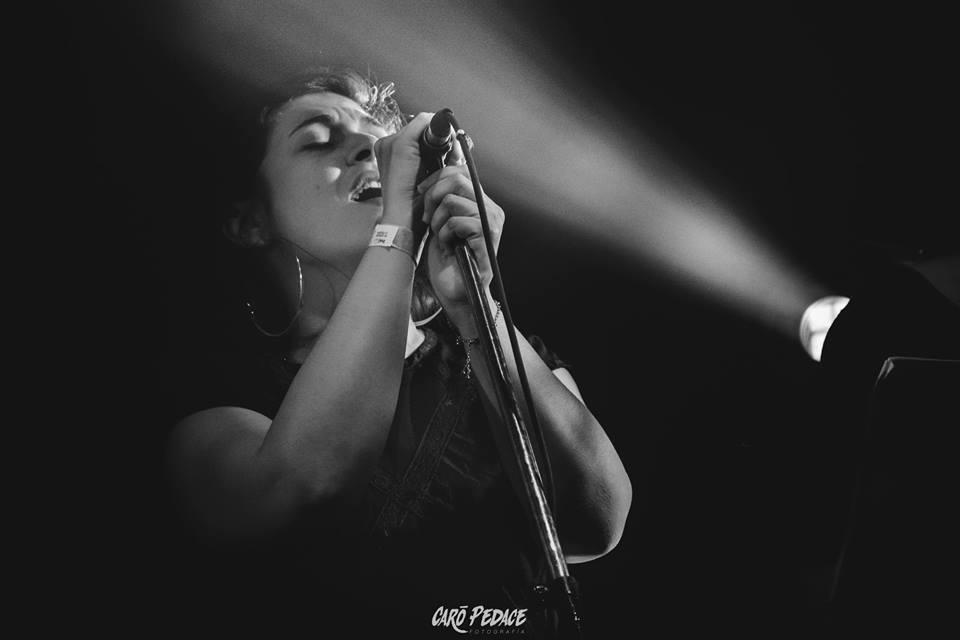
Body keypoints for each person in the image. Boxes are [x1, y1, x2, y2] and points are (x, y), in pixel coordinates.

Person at [164, 68, 632, 636]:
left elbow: (595, 519)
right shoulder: (220, 398)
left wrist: (476, 305)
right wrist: (395, 233)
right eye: (319, 141)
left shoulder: (499, 349)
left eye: (376, 134)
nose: (369, 146)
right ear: (250, 222)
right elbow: (298, 501)